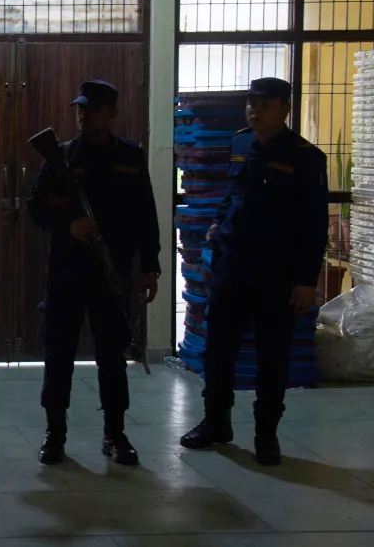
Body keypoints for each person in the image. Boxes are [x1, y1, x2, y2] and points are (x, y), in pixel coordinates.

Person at [180, 77, 328, 466]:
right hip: (232, 266)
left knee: (272, 355)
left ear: (284, 107)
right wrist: (218, 224)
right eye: (251, 102)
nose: (254, 109)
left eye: (264, 102)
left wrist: (306, 280)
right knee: (218, 350)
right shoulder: (241, 142)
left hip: (276, 272)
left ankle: (266, 434)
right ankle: (216, 422)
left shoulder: (305, 156)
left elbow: (313, 223)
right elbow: (234, 194)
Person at [27, 79, 161, 466]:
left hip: (111, 273)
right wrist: (68, 226)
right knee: (59, 356)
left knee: (112, 358)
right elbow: (37, 207)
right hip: (68, 273)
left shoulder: (130, 158)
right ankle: (55, 433)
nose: (83, 114)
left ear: (112, 113)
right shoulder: (61, 156)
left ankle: (115, 433)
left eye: (93, 108)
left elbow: (145, 217)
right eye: (80, 108)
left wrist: (149, 266)